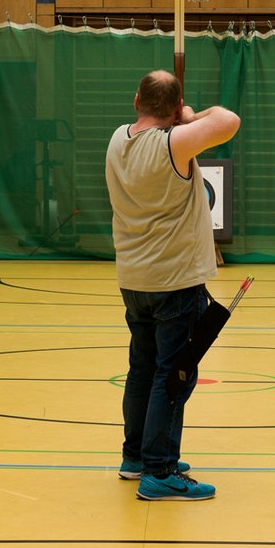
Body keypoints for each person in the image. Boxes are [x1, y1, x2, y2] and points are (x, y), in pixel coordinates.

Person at [104, 70, 239, 501]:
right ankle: (159, 470)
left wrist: (176, 117)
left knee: (143, 368)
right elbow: (228, 120)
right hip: (174, 282)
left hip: (134, 280)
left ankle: (137, 456)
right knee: (173, 374)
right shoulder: (174, 143)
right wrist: (192, 115)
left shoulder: (117, 139)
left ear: (135, 99)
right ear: (174, 108)